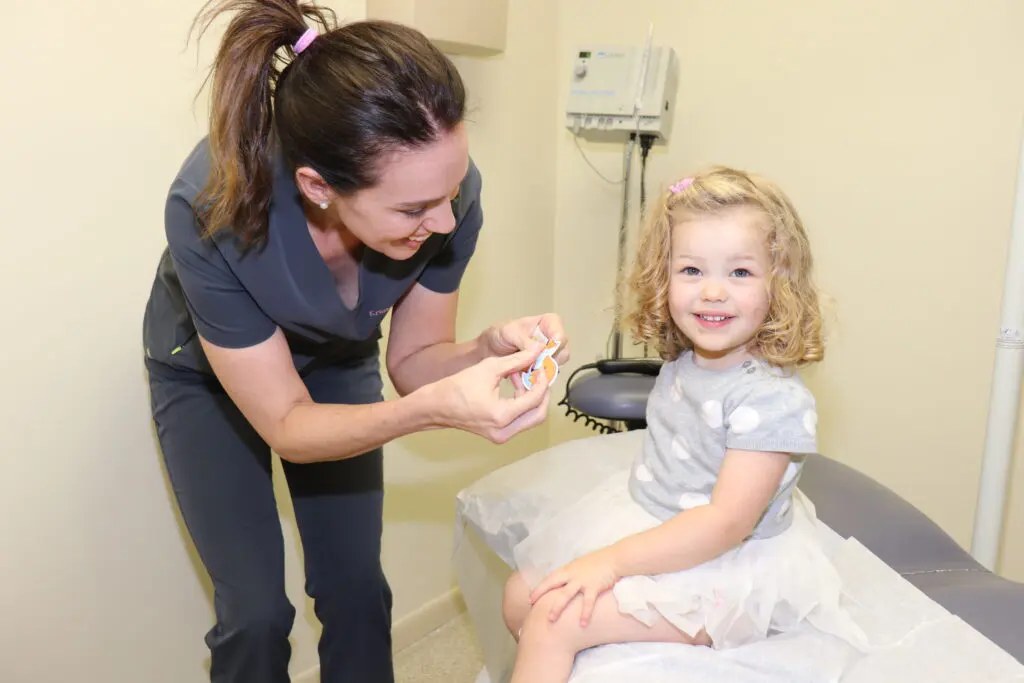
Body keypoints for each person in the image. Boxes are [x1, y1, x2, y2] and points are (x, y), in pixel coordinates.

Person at [142, 2, 569, 682]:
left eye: (451, 193)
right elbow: (287, 422)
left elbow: (413, 361)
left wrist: (484, 351)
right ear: (317, 187)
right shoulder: (209, 208)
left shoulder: (446, 202)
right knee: (254, 613)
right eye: (411, 209)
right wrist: (430, 411)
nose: (441, 221)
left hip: (336, 358)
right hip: (208, 378)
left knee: (356, 592)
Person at [500, 167, 870, 682]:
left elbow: (725, 523)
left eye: (739, 273)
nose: (712, 292)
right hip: (656, 524)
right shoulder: (687, 360)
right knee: (521, 594)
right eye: (692, 270)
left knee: (553, 619)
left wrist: (609, 563)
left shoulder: (772, 400)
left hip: (724, 565)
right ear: (664, 276)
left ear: (779, 284)